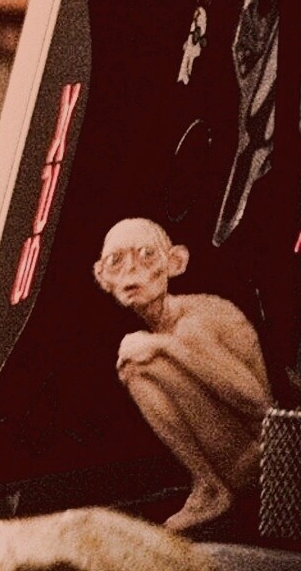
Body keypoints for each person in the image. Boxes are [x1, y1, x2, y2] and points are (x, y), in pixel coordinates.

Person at [91, 217, 269, 531]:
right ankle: (209, 485)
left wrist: (164, 345)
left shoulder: (192, 322)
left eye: (146, 255)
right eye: (116, 261)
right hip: (241, 458)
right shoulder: (167, 323)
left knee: (140, 364)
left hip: (262, 462)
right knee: (137, 364)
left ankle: (210, 488)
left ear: (175, 263)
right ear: (102, 277)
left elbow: (256, 404)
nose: (131, 269)